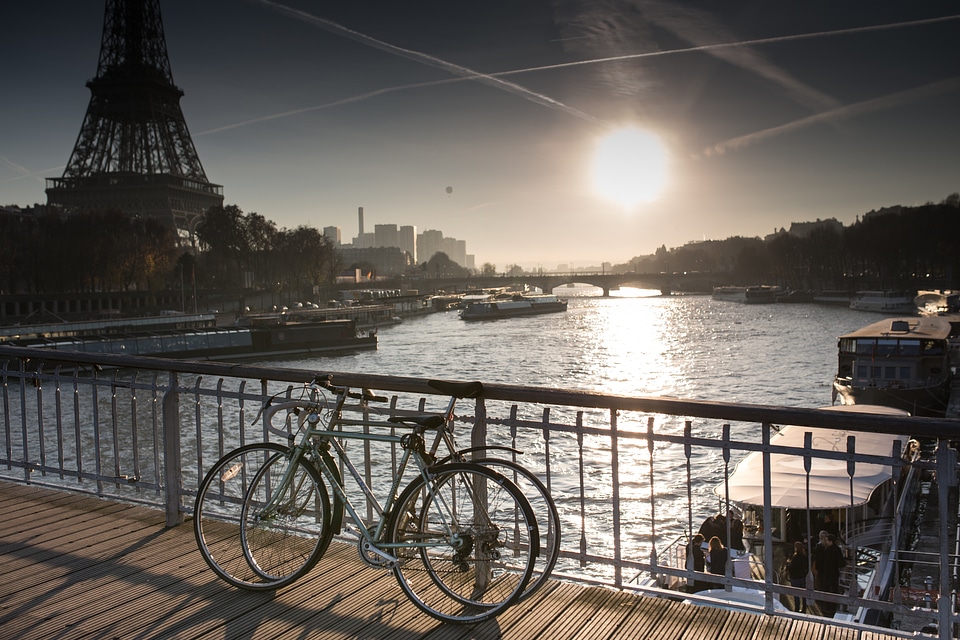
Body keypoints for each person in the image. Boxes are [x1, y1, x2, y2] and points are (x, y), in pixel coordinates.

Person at [812, 533, 845, 616]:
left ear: (830, 541)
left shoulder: (828, 551)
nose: (825, 541)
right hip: (833, 573)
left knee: (826, 588)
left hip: (827, 573)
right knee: (833, 589)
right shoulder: (836, 549)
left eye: (826, 540)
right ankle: (832, 606)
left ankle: (827, 606)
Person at [786, 541, 809, 613]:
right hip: (802, 577)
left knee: (796, 594)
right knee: (803, 594)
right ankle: (804, 608)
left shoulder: (795, 557)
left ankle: (797, 609)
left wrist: (788, 565)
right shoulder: (804, 556)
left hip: (795, 578)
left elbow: (792, 567)